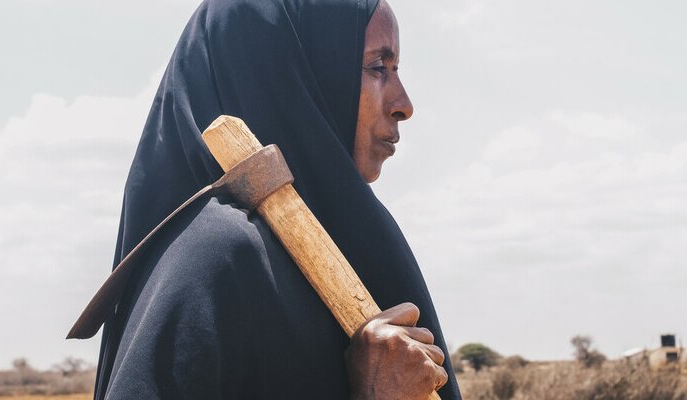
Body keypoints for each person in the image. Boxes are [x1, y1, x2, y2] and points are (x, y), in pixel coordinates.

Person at [89, 0, 459, 398]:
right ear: (287, 75)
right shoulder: (219, 256)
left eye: (396, 69)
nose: (403, 104)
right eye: (377, 68)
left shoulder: (343, 247)